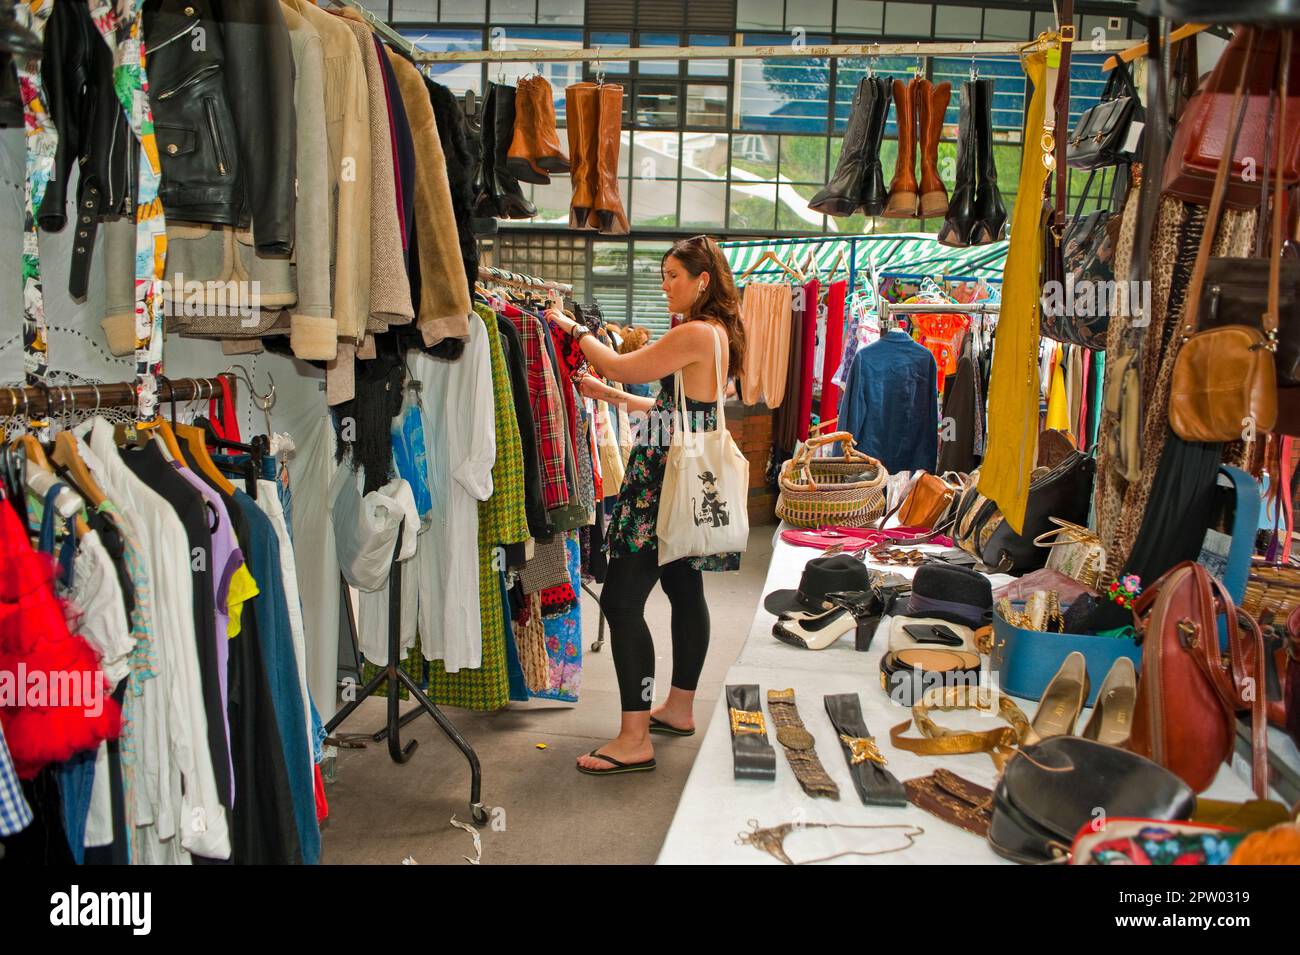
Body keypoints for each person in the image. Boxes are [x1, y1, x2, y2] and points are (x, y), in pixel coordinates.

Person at [546, 234, 747, 776]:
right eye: (662, 276)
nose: (664, 286)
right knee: (685, 587)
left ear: (702, 280)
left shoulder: (695, 332)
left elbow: (621, 363)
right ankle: (678, 709)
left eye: (673, 276)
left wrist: (570, 327)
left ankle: (635, 736)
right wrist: (612, 398)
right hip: (683, 478)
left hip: (662, 484)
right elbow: (677, 409)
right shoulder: (716, 334)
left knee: (621, 601)